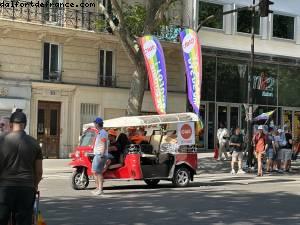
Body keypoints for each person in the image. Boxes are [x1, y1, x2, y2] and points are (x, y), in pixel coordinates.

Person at [0, 111, 43, 225]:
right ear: (25, 125)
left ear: (10, 124)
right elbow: (39, 172)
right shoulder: (34, 143)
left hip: (4, 189)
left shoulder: (1, 140)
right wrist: (34, 185)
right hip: (26, 189)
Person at [91, 117, 108, 196]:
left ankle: (100, 189)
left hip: (100, 154)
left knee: (98, 172)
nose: (94, 124)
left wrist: (102, 153)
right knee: (95, 171)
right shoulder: (100, 132)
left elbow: (104, 143)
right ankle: (98, 188)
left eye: (95, 123)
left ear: (98, 124)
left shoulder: (103, 132)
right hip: (98, 154)